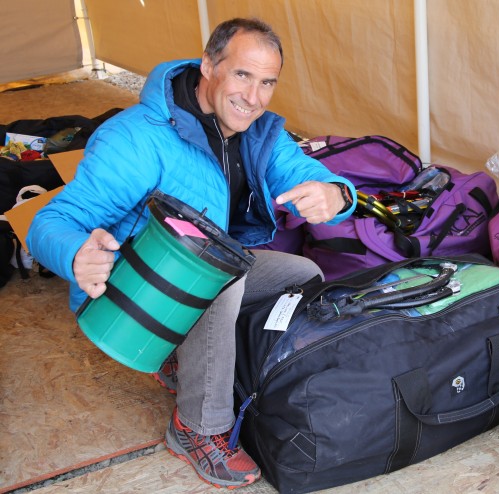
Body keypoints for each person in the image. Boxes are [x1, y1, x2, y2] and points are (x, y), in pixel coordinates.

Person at [27, 18, 355, 489]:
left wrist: (335, 194)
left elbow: (306, 171)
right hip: (123, 298)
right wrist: (76, 252)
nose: (254, 97)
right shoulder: (137, 138)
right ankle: (198, 428)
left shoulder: (258, 131)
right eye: (242, 75)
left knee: (301, 273)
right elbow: (51, 221)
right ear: (208, 66)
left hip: (193, 279)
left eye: (267, 83)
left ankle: (202, 364)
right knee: (220, 275)